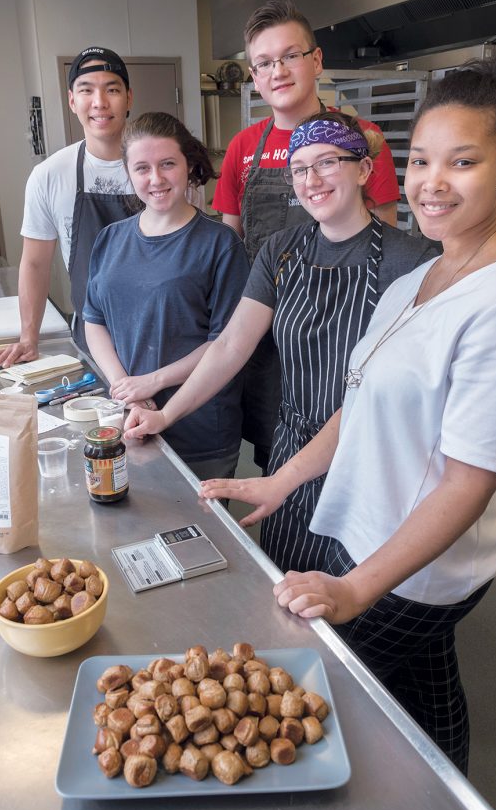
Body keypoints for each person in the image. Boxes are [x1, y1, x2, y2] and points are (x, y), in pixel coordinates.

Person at [199, 47, 496, 772]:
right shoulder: (426, 272)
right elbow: (361, 404)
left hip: (421, 563)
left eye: (461, 163)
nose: (433, 183)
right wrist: (283, 480)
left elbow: (469, 481)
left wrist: (353, 588)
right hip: (373, 531)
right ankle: (456, 807)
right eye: (422, 160)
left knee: (314, 691)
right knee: (428, 689)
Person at [124, 110, 438, 570]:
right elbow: (231, 346)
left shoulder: (412, 261)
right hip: (289, 449)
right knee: (286, 581)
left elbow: (397, 395)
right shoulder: (279, 252)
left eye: (328, 162)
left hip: (369, 457)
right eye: (300, 168)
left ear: (364, 170)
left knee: (359, 592)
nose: (312, 180)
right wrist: (167, 414)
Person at [213, 0, 401, 470]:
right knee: (274, 464)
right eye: (263, 62)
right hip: (268, 341)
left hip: (345, 336)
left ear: (316, 61)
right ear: (254, 76)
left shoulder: (364, 139)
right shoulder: (242, 147)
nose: (277, 71)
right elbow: (231, 247)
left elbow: (389, 251)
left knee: (350, 463)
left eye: (290, 56)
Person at [83, 112, 249, 480]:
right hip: (128, 421)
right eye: (142, 168)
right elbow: (94, 322)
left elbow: (226, 343)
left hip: (199, 431)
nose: (155, 179)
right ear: (128, 172)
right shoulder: (110, 239)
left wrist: (153, 381)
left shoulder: (220, 244)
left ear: (189, 166)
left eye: (167, 164)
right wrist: (126, 387)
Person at [0, 47, 139, 367]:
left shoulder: (159, 167)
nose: (99, 102)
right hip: (92, 340)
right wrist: (29, 338)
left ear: (129, 97)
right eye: (87, 90)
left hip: (164, 335)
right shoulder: (50, 175)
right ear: (72, 101)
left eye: (112, 89)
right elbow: (34, 264)